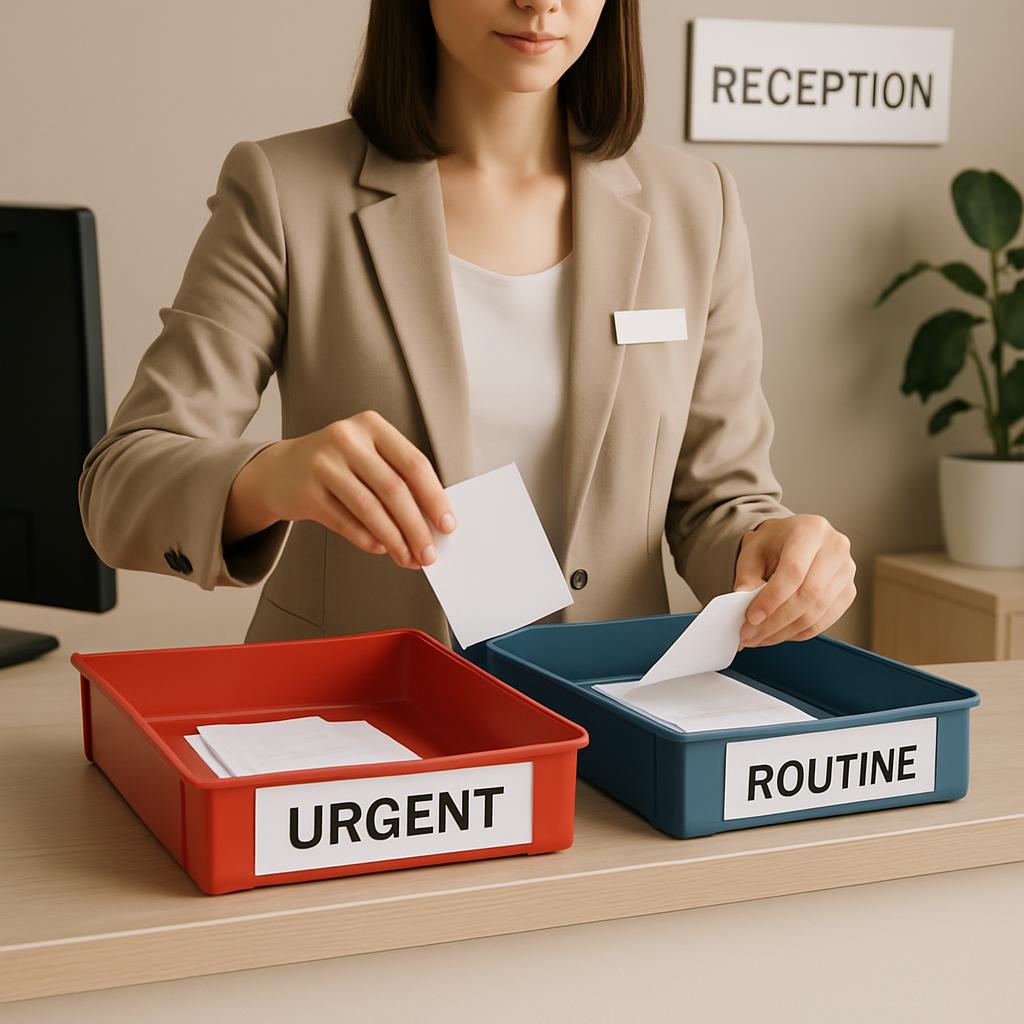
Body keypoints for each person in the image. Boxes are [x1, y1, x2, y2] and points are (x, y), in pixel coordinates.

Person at [78, 0, 856, 653]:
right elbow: (120, 488)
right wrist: (272, 476)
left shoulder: (698, 204)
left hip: (611, 729)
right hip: (350, 729)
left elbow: (722, 502)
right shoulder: (285, 191)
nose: (540, 0)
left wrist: (776, 551)